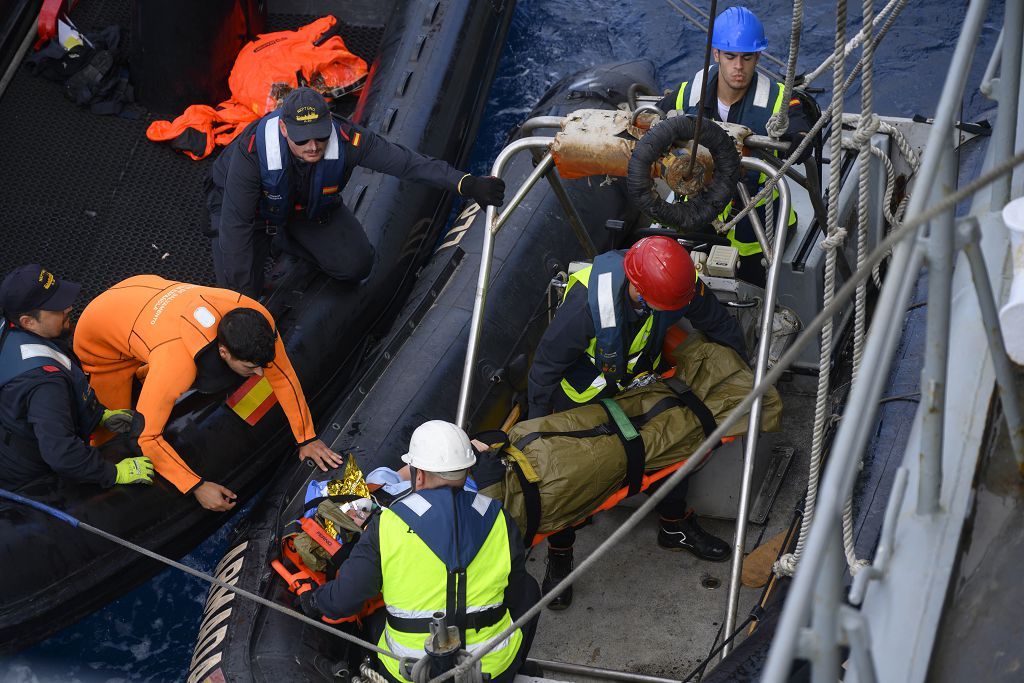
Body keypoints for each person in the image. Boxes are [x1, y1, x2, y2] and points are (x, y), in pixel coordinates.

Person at [527, 236, 748, 609]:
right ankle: (560, 557)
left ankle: (674, 526)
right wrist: (538, 432)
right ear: (636, 287)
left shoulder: (677, 284)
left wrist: (742, 369)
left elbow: (717, 322)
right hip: (581, 399)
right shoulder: (586, 306)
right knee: (566, 477)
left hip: (639, 384)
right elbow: (545, 368)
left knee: (676, 442)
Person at [72, 275, 343, 511]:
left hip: (145, 294)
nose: (260, 375)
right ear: (223, 352)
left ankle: (145, 373)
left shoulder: (254, 315)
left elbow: (281, 376)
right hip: (102, 336)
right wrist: (197, 486)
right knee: (111, 434)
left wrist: (306, 438)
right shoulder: (176, 363)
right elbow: (147, 436)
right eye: (251, 367)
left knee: (156, 374)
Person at [207, 86, 507, 297]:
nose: (312, 147)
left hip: (305, 209)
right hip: (249, 211)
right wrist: (242, 300)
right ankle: (269, 248)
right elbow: (236, 226)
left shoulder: (348, 140)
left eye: (319, 137)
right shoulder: (251, 154)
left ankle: (284, 239)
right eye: (302, 140)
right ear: (284, 130)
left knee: (356, 265)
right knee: (240, 290)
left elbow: (405, 162)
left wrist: (466, 183)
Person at [300, 420, 540, 683]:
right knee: (529, 588)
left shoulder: (389, 522)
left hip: (412, 672)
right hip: (490, 669)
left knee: (374, 617)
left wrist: (313, 600)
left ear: (420, 474)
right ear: (466, 471)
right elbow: (515, 592)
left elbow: (345, 599)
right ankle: (517, 667)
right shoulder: (498, 517)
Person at [657, 6, 812, 286]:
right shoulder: (690, 92)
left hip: (756, 235)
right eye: (730, 56)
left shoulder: (777, 99)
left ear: (758, 56)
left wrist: (800, 136)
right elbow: (657, 116)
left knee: (751, 300)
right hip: (697, 222)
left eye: (747, 57)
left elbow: (798, 120)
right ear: (716, 54)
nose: (738, 67)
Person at [0, 265, 153, 490]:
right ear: (28, 321)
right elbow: (61, 453)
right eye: (55, 307)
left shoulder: (11, 330)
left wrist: (98, 415)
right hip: (28, 473)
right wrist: (113, 472)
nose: (69, 307)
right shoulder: (44, 384)